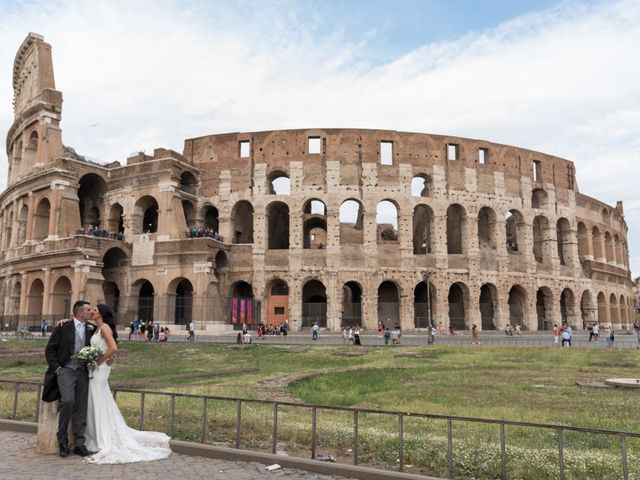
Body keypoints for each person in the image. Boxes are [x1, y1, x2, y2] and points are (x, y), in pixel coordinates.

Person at [84, 304, 171, 464]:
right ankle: (97, 436)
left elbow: (113, 348)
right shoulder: (98, 328)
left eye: (94, 310)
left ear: (101, 313)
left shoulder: (104, 328)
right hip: (99, 369)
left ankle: (102, 438)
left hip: (100, 369)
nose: (91, 312)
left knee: (98, 400)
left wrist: (97, 362)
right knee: (99, 400)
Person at [43, 300, 96, 458]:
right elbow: (50, 350)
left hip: (82, 372)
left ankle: (79, 443)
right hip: (66, 370)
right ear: (80, 312)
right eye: (88, 310)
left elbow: (103, 339)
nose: (91, 312)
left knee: (81, 405)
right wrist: (57, 368)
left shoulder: (91, 328)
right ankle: (63, 440)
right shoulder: (63, 327)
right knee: (68, 400)